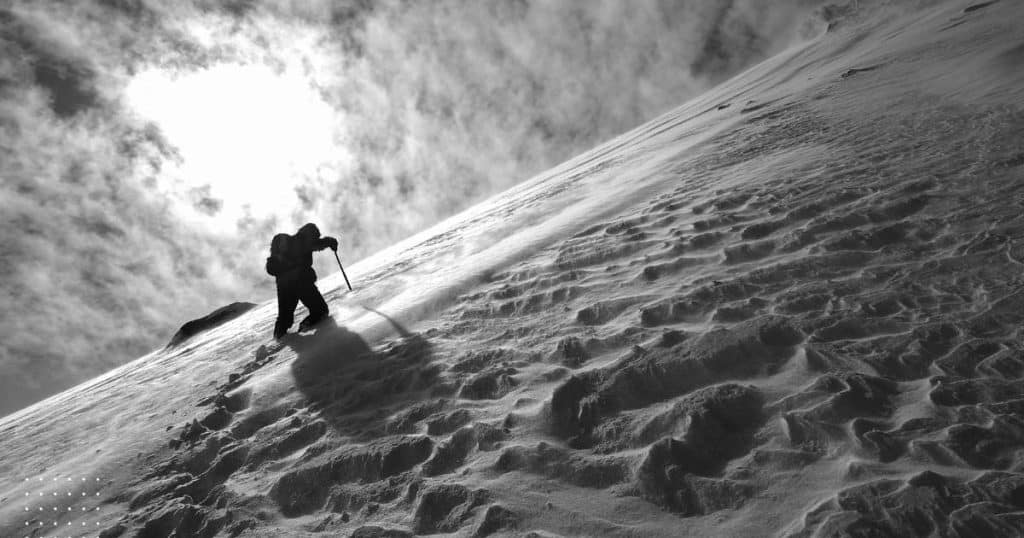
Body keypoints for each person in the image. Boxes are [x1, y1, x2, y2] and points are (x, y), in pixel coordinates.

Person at [266, 223, 339, 339]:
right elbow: (317, 244)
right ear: (310, 234)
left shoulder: (290, 245)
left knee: (284, 318)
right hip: (301, 282)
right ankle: (305, 327)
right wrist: (331, 241)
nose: (316, 239)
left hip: (284, 287)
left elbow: (270, 269)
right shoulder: (302, 240)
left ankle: (278, 339)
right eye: (315, 236)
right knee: (320, 310)